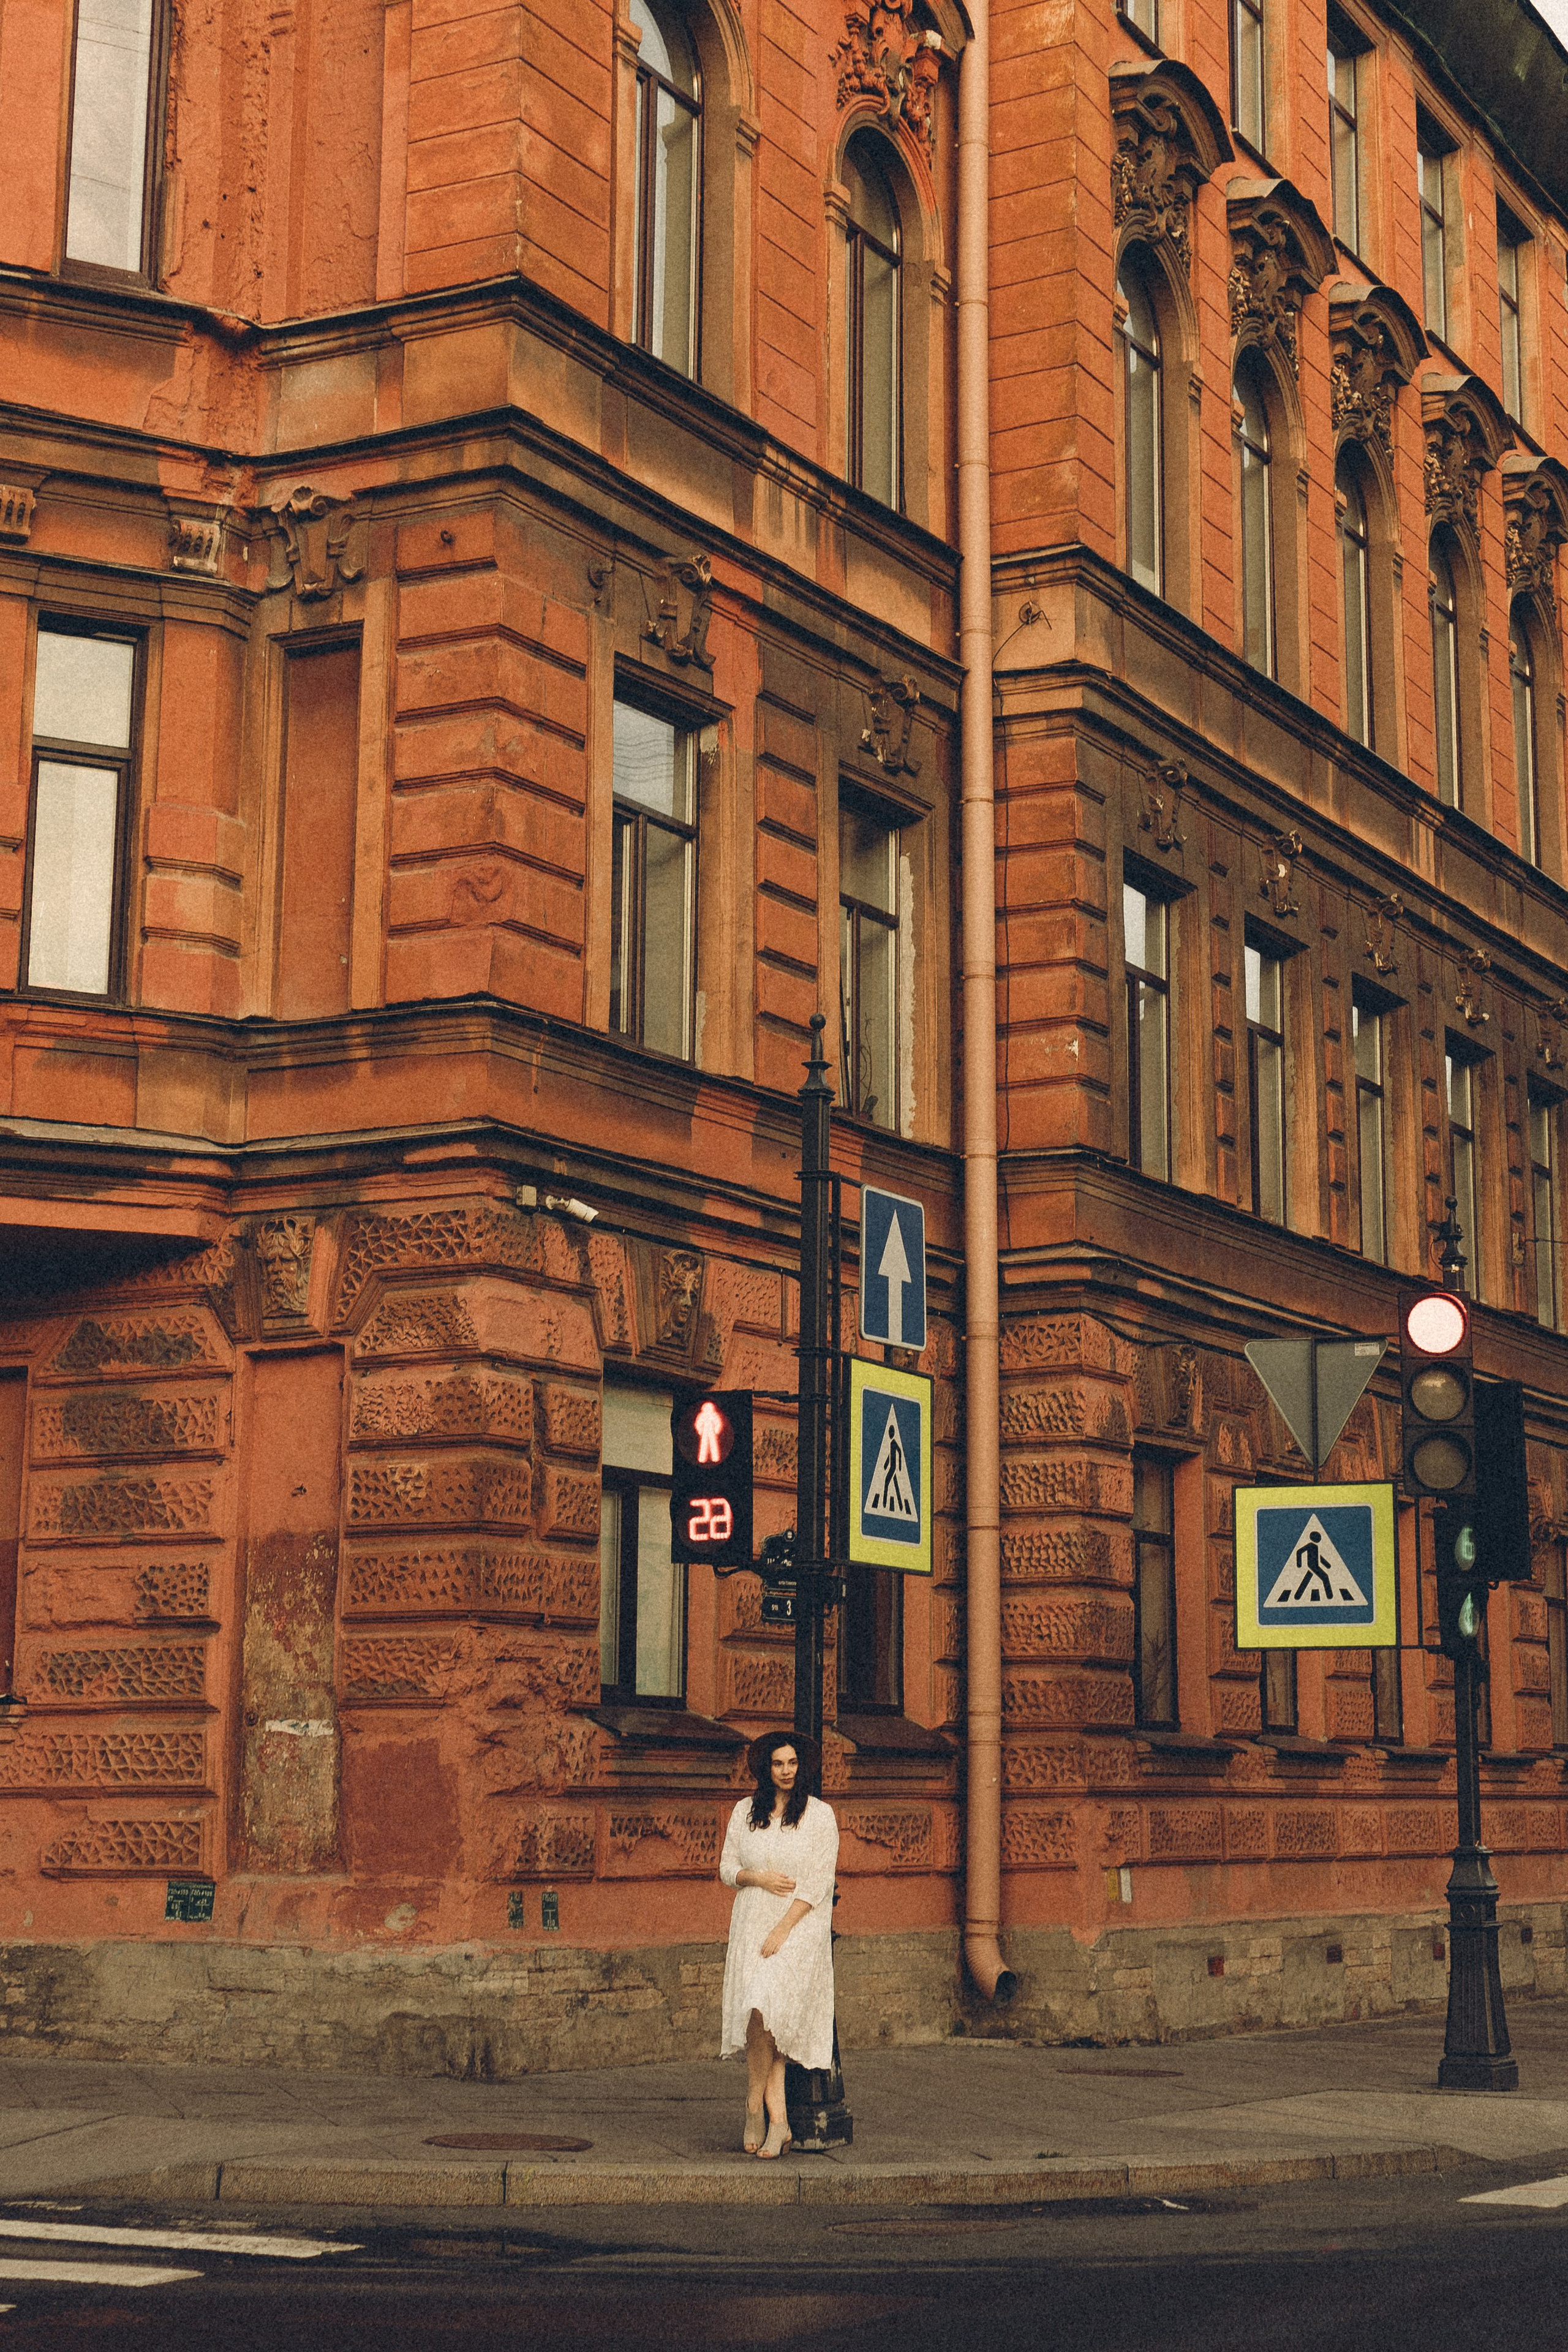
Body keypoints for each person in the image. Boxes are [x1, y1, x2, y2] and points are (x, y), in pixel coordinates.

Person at [718, 1730, 839, 2160]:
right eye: (778, 1764)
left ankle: (755, 2108)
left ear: (801, 1767)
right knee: (758, 2015)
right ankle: (775, 2118)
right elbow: (727, 1868)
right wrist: (758, 1878)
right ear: (766, 1770)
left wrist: (785, 1927)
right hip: (752, 1918)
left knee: (772, 2011)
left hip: (799, 1925)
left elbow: (821, 1878)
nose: (786, 1771)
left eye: (792, 1763)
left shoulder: (820, 1816)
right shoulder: (745, 1812)